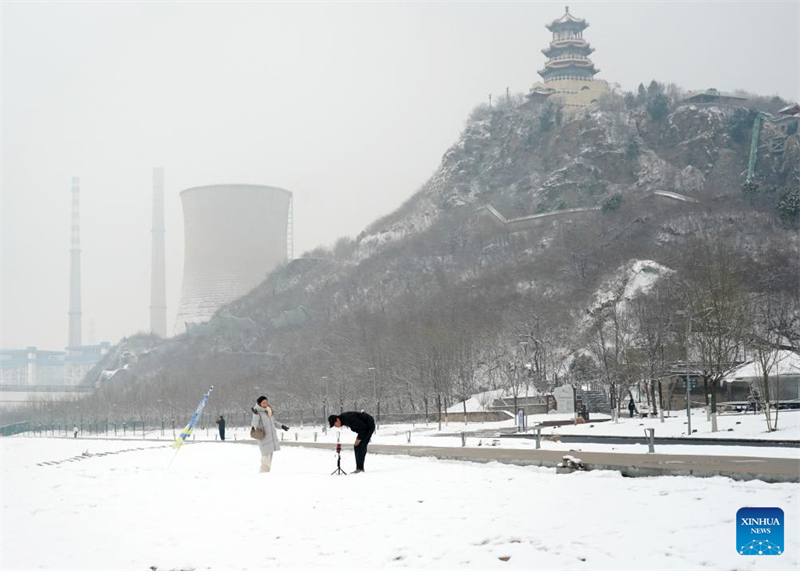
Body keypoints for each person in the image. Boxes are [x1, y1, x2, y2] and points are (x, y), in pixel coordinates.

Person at [251, 396, 289, 473]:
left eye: (266, 402)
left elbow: (273, 422)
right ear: (259, 403)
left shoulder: (268, 411)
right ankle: (263, 475)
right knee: (265, 460)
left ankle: (266, 475)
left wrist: (282, 426)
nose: (265, 404)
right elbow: (254, 424)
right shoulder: (257, 412)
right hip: (264, 439)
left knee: (269, 460)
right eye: (263, 403)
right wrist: (255, 415)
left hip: (271, 439)